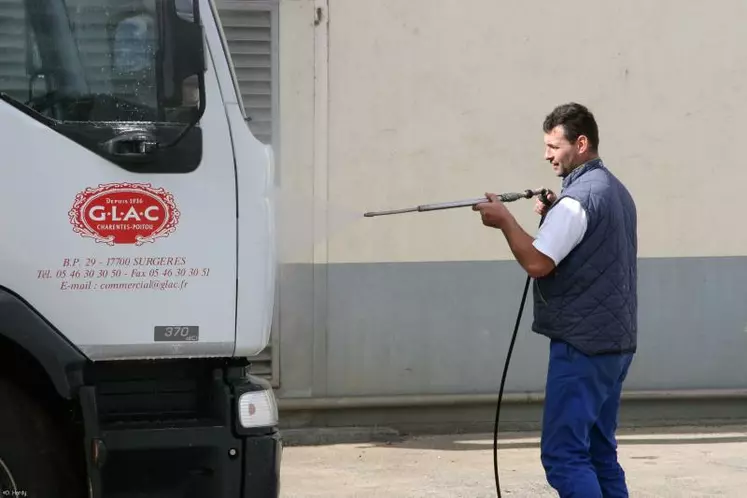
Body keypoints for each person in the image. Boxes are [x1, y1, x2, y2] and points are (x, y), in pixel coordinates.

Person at [473, 102, 637, 498]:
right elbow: (583, 251)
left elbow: (537, 263)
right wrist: (551, 216)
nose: (547, 155)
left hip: (581, 346)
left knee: (564, 456)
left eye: (554, 146)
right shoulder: (614, 190)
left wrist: (506, 221)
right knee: (599, 453)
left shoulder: (578, 200)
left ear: (581, 144)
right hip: (615, 342)